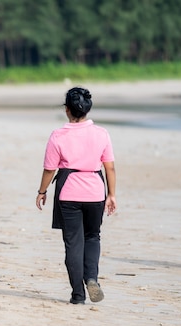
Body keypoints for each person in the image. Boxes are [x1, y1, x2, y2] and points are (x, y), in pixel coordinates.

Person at [36, 87, 117, 304]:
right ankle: (91, 278)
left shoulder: (58, 135)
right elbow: (109, 168)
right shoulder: (101, 133)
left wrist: (42, 191)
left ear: (67, 110)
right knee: (93, 236)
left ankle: (78, 295)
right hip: (96, 192)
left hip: (68, 193)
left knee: (73, 243)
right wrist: (112, 195)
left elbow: (49, 169)